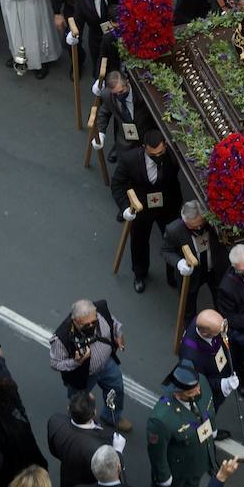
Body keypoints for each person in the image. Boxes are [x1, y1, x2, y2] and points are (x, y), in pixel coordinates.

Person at [147, 359, 217, 487]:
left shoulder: (202, 383)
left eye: (198, 387)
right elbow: (157, 453)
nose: (199, 390)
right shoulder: (161, 418)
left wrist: (213, 429)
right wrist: (163, 476)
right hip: (176, 465)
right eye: (192, 391)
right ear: (178, 393)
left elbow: (209, 409)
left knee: (193, 484)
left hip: (198, 455)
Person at [111, 131, 183, 293]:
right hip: (142, 207)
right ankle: (140, 273)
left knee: (173, 240)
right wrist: (124, 208)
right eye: (153, 154)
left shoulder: (172, 157)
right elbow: (117, 185)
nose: (158, 156)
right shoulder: (129, 159)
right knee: (139, 240)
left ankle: (172, 274)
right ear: (144, 148)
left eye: (160, 153)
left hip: (167, 206)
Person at [48, 299, 129, 432]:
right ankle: (80, 425)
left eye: (94, 322)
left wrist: (118, 335)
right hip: (82, 376)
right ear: (75, 321)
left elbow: (114, 323)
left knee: (116, 390)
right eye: (86, 324)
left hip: (107, 365)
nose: (91, 326)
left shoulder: (101, 312)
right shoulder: (62, 338)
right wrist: (76, 362)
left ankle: (112, 417)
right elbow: (55, 363)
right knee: (80, 404)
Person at [47, 391, 121, 487]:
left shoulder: (55, 421)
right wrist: (118, 451)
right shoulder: (100, 446)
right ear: (95, 412)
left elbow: (54, 450)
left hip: (68, 479)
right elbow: (111, 472)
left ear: (68, 408)